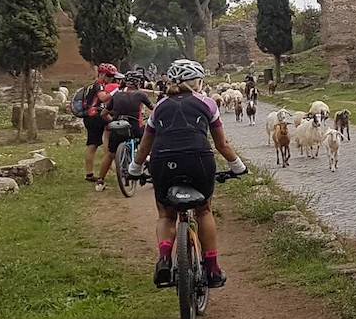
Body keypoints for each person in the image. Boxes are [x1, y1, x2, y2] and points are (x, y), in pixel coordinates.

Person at [127, 59, 247, 289]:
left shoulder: (160, 106)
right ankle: (212, 268)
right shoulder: (208, 104)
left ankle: (163, 258)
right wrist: (238, 166)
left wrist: (134, 169)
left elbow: (144, 147)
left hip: (163, 161)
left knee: (166, 215)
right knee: (203, 210)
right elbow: (222, 144)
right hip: (198, 160)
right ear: (198, 82)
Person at [94, 70, 153, 192]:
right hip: (134, 126)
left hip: (118, 126)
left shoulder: (116, 95)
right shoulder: (141, 95)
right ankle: (147, 168)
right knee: (147, 147)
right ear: (139, 83)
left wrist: (112, 121)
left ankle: (100, 181)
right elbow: (154, 109)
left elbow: (104, 113)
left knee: (110, 154)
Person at [79, 64, 121, 183]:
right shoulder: (98, 85)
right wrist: (116, 90)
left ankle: (89, 173)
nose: (111, 78)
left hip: (88, 116)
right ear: (101, 74)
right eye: (109, 76)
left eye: (112, 76)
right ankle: (111, 163)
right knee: (114, 130)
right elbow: (103, 98)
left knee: (92, 144)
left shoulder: (89, 85)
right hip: (96, 116)